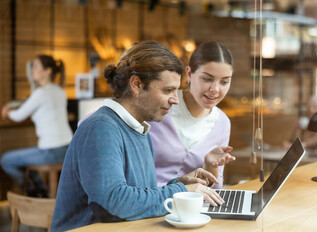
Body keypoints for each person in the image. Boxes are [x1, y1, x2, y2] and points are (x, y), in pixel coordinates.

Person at [51, 40, 224, 232]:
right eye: (168, 90)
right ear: (137, 85)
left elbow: (138, 195)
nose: (175, 99)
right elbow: (114, 202)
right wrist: (179, 192)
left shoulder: (140, 128)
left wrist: (179, 184)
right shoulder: (101, 128)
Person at [149, 41, 236, 189]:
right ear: (189, 73)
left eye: (224, 82)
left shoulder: (222, 122)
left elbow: (213, 189)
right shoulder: (160, 106)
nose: (215, 89)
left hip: (191, 207)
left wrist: (210, 165)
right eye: (207, 79)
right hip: (150, 204)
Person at [0, 55, 73, 197]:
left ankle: (32, 193)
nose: (32, 70)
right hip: (67, 149)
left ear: (47, 71)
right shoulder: (59, 91)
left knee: (5, 160)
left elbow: (18, 116)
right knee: (26, 161)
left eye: (36, 66)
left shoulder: (41, 93)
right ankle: (42, 192)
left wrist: (7, 112)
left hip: (50, 152)